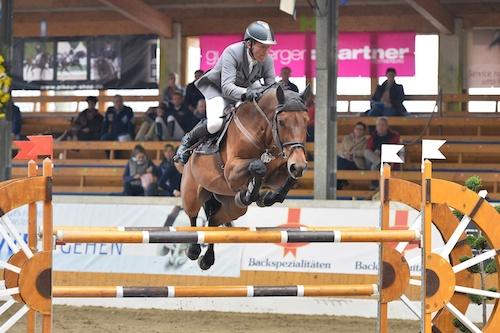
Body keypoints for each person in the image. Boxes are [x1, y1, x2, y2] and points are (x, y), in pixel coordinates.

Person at [175, 20, 277, 164]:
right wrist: (247, 93)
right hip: (217, 88)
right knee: (215, 124)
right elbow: (227, 87)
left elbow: (271, 88)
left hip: (244, 88)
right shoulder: (232, 52)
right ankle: (188, 140)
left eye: (268, 48)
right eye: (262, 47)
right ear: (249, 44)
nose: (266, 52)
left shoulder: (267, 60)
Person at [364, 117, 400, 190]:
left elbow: (394, 149)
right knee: (366, 152)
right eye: (379, 125)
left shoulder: (393, 136)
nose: (381, 127)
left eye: (383, 125)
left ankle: (375, 186)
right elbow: (369, 149)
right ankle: (380, 164)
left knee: (374, 167)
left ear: (387, 126)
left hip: (388, 159)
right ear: (376, 127)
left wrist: (381, 152)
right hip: (374, 159)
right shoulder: (372, 136)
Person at [337, 122, 367, 189]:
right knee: (338, 160)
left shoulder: (366, 141)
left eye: (361, 129)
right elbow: (340, 150)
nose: (358, 130)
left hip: (356, 162)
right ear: (354, 129)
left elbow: (364, 152)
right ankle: (341, 182)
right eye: (357, 128)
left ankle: (341, 182)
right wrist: (345, 154)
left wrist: (352, 154)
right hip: (345, 160)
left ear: (364, 131)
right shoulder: (346, 138)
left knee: (339, 162)